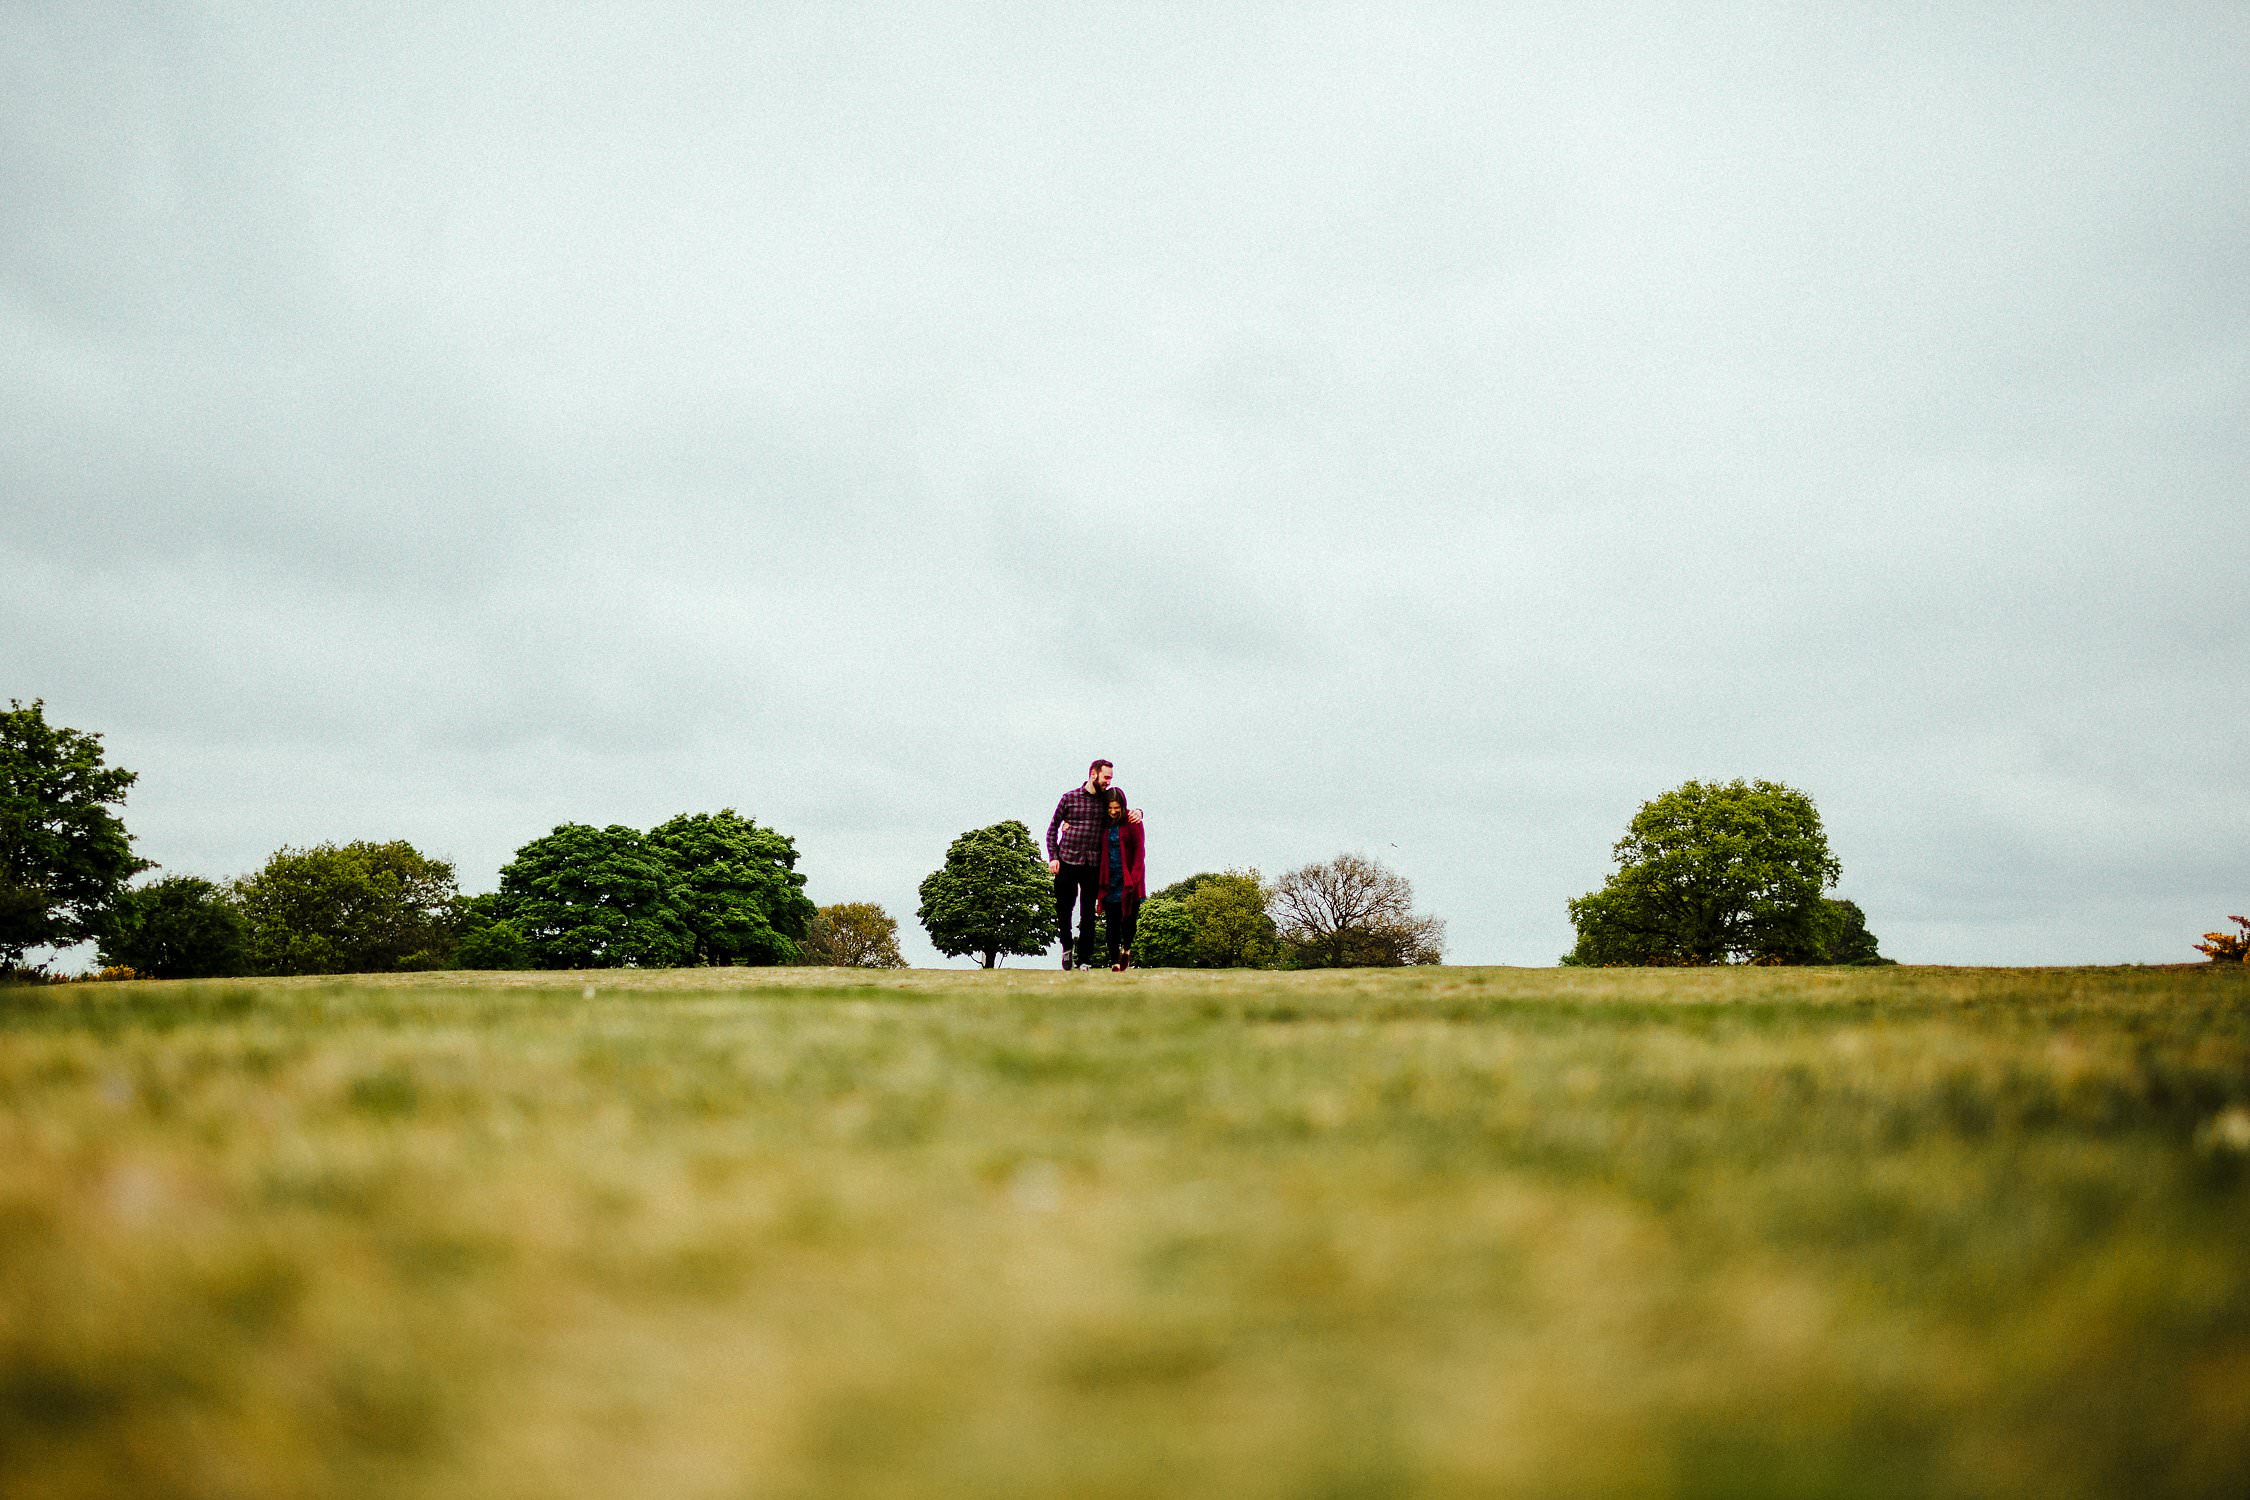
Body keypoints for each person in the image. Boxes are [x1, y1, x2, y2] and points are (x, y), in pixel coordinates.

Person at [1045, 758, 1140, 970]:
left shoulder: (1106, 801)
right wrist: (1053, 856)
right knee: (1064, 909)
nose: (1108, 781)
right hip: (1067, 860)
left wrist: (1139, 812)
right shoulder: (1069, 798)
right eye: (1106, 777)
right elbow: (1052, 828)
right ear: (1093, 774)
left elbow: (1122, 810)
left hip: (1093, 864)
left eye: (1110, 778)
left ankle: (1085, 960)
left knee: (1088, 913)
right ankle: (1067, 947)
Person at [1096, 788, 1146, 970]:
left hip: (1129, 880)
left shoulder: (1132, 822)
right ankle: (1115, 962)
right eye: (1110, 808)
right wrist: (1068, 824)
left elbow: (1140, 852)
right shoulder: (1103, 824)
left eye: (1116, 808)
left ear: (1123, 806)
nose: (1113, 811)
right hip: (1109, 879)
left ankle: (1127, 949)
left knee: (1128, 921)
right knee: (1112, 923)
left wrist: (1134, 878)